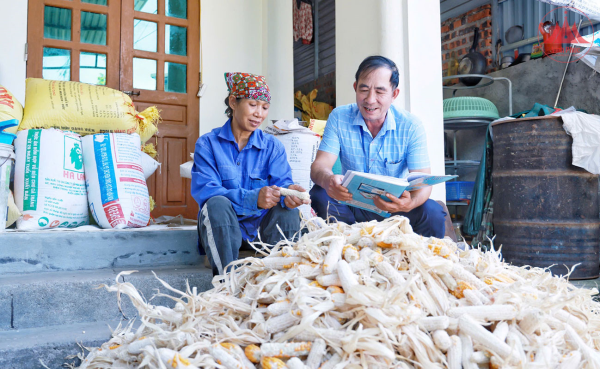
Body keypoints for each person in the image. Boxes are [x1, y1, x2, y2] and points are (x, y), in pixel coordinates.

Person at [310, 56, 446, 237]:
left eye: (380, 92)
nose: (370, 100)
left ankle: (426, 263)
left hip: (393, 208)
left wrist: (410, 203)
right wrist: (328, 181)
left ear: (394, 94)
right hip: (350, 207)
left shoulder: (411, 126)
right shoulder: (339, 117)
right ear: (355, 88)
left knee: (432, 212)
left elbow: (424, 183)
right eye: (363, 89)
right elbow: (319, 166)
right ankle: (344, 250)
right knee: (320, 194)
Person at [192, 72, 310, 276]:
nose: (259, 114)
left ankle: (279, 284)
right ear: (233, 102)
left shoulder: (273, 146)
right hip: (224, 229)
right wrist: (253, 198)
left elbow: (282, 183)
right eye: (253, 104)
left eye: (264, 107)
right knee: (216, 203)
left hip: (261, 231)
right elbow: (207, 191)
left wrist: (290, 193)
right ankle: (225, 285)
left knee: (288, 211)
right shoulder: (207, 144)